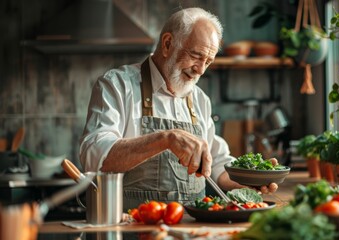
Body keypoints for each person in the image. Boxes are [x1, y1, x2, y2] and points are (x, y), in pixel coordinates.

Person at [79, 7, 278, 210]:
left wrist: (247, 180)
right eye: (195, 56)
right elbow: (93, 157)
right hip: (134, 227)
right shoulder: (117, 85)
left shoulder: (200, 99)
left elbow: (216, 162)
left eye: (208, 62)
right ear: (167, 44)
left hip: (193, 228)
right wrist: (165, 139)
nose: (200, 70)